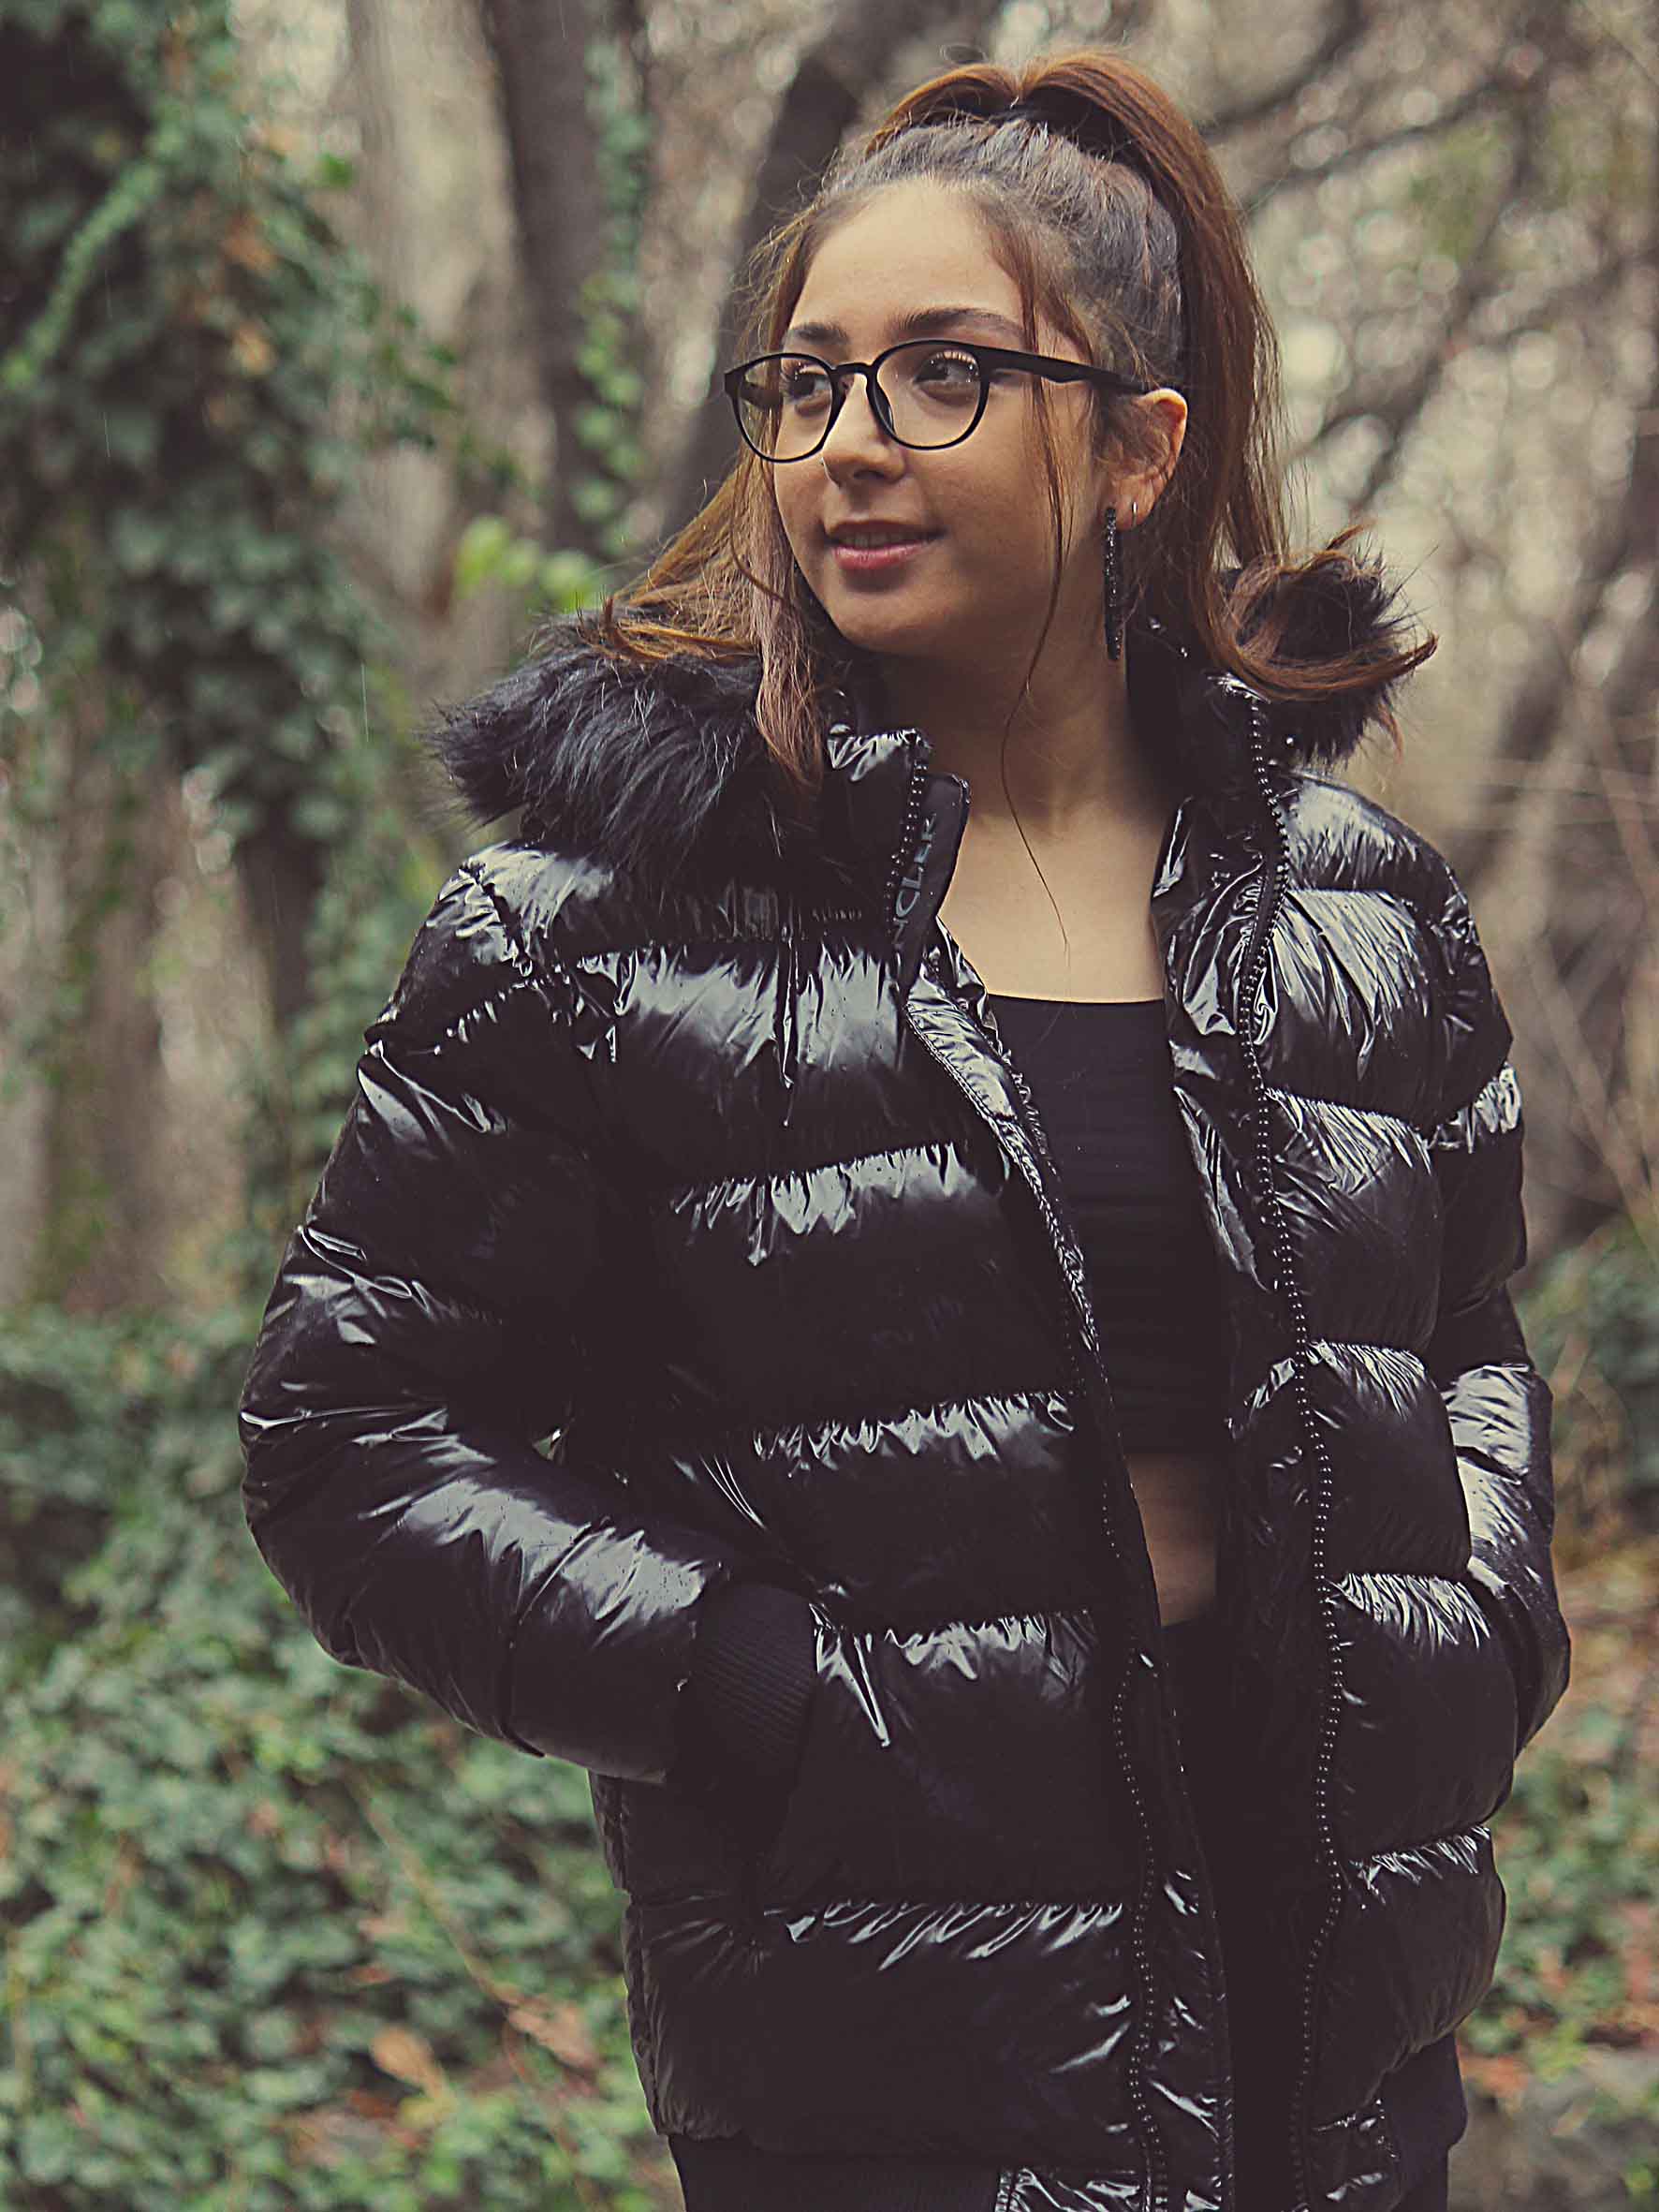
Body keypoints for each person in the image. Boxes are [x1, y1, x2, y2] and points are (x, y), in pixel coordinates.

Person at [238, 49, 1571, 2212]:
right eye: (808, 383)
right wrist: (753, 1682)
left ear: (1137, 448)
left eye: (947, 373)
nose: (850, 440)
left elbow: (1470, 1348)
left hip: (1340, 2038)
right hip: (892, 2061)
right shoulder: (594, 926)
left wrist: (1479, 1616)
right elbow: (345, 1437)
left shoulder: (1359, 908)